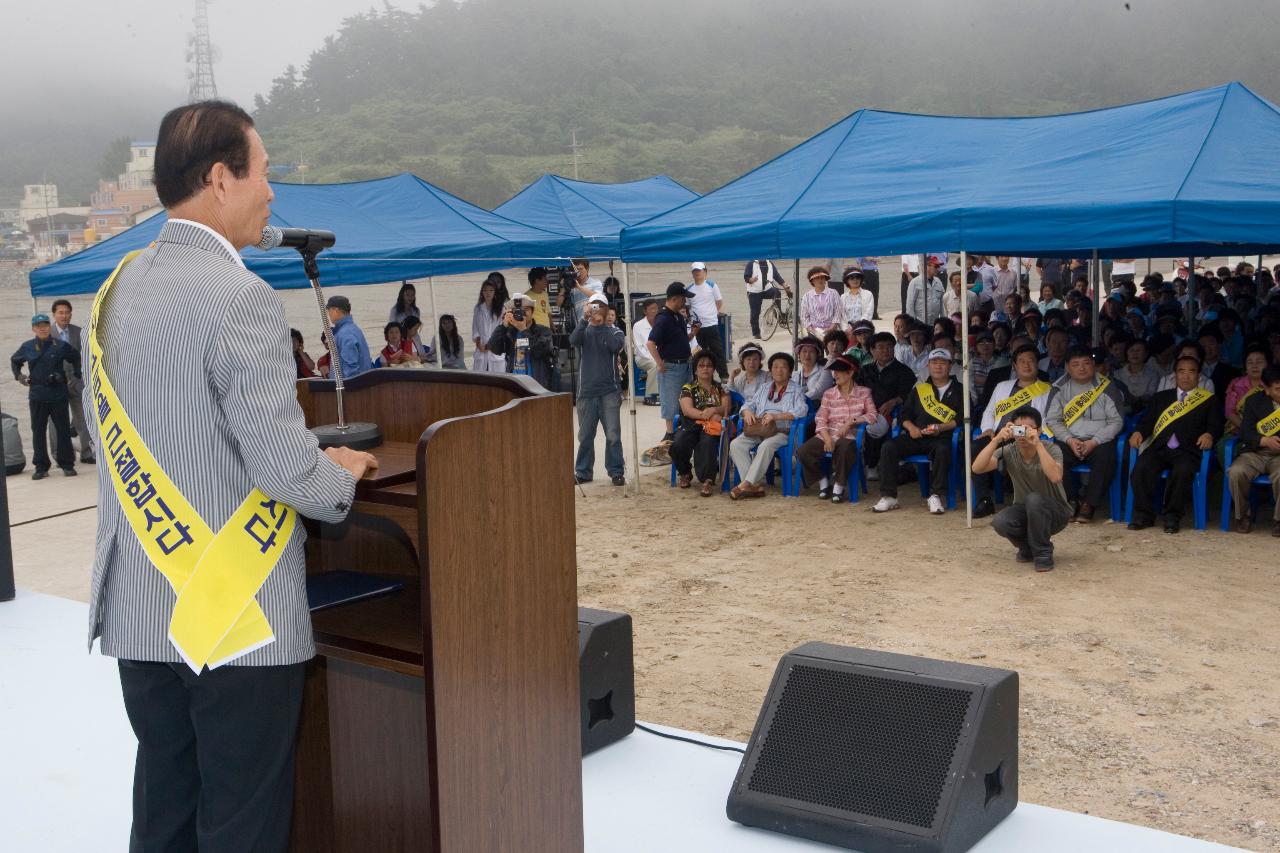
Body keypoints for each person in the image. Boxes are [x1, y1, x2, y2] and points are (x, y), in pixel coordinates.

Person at [85, 100, 377, 852]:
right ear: (221, 178)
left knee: (165, 815)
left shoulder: (115, 291)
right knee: (240, 828)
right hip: (234, 624)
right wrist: (337, 471)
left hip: (142, 614)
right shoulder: (239, 295)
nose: (273, 193)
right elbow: (286, 469)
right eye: (266, 172)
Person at [1127, 356, 1224, 534]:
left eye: (1191, 371)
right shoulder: (1161, 397)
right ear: (1175, 376)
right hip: (1159, 448)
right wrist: (1139, 432)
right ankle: (1144, 515)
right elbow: (1147, 422)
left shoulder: (1209, 400)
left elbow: (1216, 426)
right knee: (1141, 468)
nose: (1186, 376)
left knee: (1183, 471)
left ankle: (1172, 516)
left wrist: (1209, 434)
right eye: (1181, 371)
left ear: (1198, 376)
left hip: (1188, 450)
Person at [973, 406, 1072, 572]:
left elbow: (1056, 476)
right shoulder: (1009, 450)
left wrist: (1038, 444)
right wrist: (996, 440)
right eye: (1019, 429)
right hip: (1025, 509)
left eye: (1028, 429)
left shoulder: (1051, 449)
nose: (1023, 435)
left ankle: (1042, 552)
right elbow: (977, 468)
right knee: (1000, 521)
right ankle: (1027, 548)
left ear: (1039, 430)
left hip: (1056, 511)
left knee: (1034, 499)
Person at [872, 348, 964, 515]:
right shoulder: (920, 389)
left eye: (942, 363)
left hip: (941, 437)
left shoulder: (960, 390)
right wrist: (911, 428)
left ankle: (935, 495)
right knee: (888, 447)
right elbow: (904, 414)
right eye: (934, 363)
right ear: (928, 366)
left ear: (950, 366)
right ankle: (889, 496)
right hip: (916, 436)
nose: (938, 366)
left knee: (943, 450)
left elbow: (962, 418)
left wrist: (940, 428)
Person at [1044, 347, 1124, 523]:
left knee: (1106, 458)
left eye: (1086, 363)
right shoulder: (1058, 388)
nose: (1081, 368)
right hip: (1070, 439)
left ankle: (1089, 503)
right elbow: (1053, 420)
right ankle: (1070, 500)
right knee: (1053, 455)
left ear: (1094, 365)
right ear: (1067, 367)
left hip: (1098, 440)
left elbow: (1116, 422)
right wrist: (1070, 440)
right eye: (1075, 364)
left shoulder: (1107, 387)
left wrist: (1094, 441)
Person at [972, 345, 1053, 517]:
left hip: (1028, 437)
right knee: (975, 448)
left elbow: (1049, 418)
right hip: (1000, 435)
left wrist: (1036, 431)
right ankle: (984, 500)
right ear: (1014, 366)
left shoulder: (1047, 389)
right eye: (1021, 361)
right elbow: (989, 411)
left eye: (1030, 361)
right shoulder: (1002, 386)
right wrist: (987, 429)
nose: (1026, 365)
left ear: (1037, 364)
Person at [797, 356, 886, 502]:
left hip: (851, 436)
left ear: (850, 373)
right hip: (828, 433)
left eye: (839, 371)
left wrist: (851, 421)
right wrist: (826, 438)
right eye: (833, 371)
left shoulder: (864, 392)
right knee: (803, 452)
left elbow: (872, 415)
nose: (835, 374)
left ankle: (839, 485)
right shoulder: (829, 394)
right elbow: (821, 418)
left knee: (844, 448)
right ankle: (823, 481)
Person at [728, 352, 808, 499]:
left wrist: (776, 416)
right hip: (760, 429)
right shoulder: (765, 387)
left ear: (790, 371)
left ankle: (745, 485)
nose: (779, 370)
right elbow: (749, 403)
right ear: (770, 370)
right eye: (775, 367)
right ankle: (754, 485)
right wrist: (746, 412)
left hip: (782, 431)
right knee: (736, 444)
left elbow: (802, 410)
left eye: (783, 367)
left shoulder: (795, 389)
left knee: (766, 445)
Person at [11, 312, 80, 479]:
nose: (42, 329)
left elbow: (76, 357)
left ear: (49, 327)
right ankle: (41, 466)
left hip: (58, 394)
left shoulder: (60, 345)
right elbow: (15, 361)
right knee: (38, 431)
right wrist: (20, 377)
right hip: (37, 395)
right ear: (34, 329)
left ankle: (67, 464)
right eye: (39, 326)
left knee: (63, 430)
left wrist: (75, 377)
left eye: (45, 325)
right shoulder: (27, 346)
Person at [571, 294, 625, 485]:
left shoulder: (616, 332)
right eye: (594, 306)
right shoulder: (583, 329)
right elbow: (573, 341)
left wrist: (602, 324)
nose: (597, 310)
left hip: (609, 390)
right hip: (586, 391)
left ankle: (616, 471)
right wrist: (585, 319)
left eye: (600, 306)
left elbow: (614, 346)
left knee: (613, 435)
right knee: (585, 435)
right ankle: (583, 471)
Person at [1227, 365, 1280, 535]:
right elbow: (1245, 432)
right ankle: (1243, 516)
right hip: (1255, 452)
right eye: (1278, 389)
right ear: (1266, 388)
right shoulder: (1253, 401)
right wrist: (1263, 439)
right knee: (1236, 472)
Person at [671, 351, 731, 496]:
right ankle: (685, 472)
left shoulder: (720, 388)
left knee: (707, 442)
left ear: (714, 369)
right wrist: (705, 415)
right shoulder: (688, 388)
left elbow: (726, 408)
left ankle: (707, 480)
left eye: (709, 365)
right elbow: (687, 410)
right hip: (691, 423)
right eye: (701, 365)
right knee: (678, 443)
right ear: (696, 369)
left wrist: (714, 409)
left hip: (712, 427)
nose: (705, 368)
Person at [647, 282, 698, 442]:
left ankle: (683, 431)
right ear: (675, 299)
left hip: (685, 364)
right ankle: (670, 434)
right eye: (683, 299)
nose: (685, 302)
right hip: (671, 366)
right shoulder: (663, 319)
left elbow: (680, 339)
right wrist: (660, 363)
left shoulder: (678, 317)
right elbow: (651, 343)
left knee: (688, 400)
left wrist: (692, 334)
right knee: (671, 403)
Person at [48, 298, 95, 463]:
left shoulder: (78, 332)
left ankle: (87, 451)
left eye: (67, 312)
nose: (64, 316)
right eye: (60, 312)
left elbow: (85, 357)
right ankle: (58, 454)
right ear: (54, 314)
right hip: (56, 383)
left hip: (76, 381)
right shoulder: (47, 334)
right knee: (56, 421)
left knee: (83, 417)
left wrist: (79, 378)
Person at [488, 292, 555, 389]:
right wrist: (503, 326)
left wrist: (524, 330)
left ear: (532, 312)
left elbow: (539, 351)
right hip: (515, 385)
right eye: (517, 310)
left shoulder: (543, 331)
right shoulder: (510, 332)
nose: (522, 313)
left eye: (526, 309)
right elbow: (494, 348)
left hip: (537, 385)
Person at [688, 262, 728, 379]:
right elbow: (688, 306)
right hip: (697, 327)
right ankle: (698, 376)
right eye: (695, 272)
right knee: (698, 353)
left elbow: (719, 301)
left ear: (705, 272)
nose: (697, 274)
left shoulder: (712, 285)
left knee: (717, 350)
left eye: (699, 271)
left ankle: (723, 375)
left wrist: (713, 313)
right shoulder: (689, 289)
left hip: (711, 324)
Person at [1224, 346, 1271, 435]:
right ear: (1245, 367)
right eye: (1250, 362)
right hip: (1239, 431)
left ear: (1268, 364)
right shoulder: (1235, 384)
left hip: (1269, 432)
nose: (1254, 365)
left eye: (1259, 362)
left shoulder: (1273, 384)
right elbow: (1229, 412)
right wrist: (1249, 431)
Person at [325, 295, 373, 379]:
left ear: (335, 310)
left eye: (329, 310)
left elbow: (351, 371)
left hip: (350, 390)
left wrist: (350, 389)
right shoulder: (353, 329)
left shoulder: (345, 333)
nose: (328, 314)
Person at [743, 258, 787, 338]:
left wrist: (784, 285)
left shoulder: (769, 263)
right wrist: (751, 280)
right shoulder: (751, 263)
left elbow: (776, 275)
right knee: (755, 313)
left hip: (767, 289)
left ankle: (777, 313)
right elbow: (746, 277)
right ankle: (756, 333)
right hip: (754, 291)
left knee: (777, 292)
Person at [471, 278, 505, 372]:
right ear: (482, 292)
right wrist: (479, 345)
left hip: (495, 351)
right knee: (480, 380)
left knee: (497, 380)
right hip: (481, 350)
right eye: (485, 290)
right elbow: (475, 329)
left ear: (495, 293)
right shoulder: (478, 308)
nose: (488, 293)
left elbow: (502, 331)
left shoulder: (501, 309)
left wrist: (489, 346)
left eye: (491, 290)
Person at [632, 300, 661, 405]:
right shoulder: (637, 326)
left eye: (656, 308)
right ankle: (650, 396)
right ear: (645, 311)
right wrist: (656, 359)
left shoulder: (660, 324)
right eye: (652, 309)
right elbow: (639, 348)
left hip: (660, 357)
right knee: (654, 365)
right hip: (643, 358)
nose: (655, 311)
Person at [800, 266, 841, 339]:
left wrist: (832, 326)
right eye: (817, 278)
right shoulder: (806, 296)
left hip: (832, 330)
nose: (820, 280)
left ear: (825, 279)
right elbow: (804, 316)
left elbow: (838, 311)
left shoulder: (833, 293)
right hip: (814, 331)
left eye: (822, 277)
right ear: (812, 281)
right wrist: (812, 330)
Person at [905, 256, 944, 324]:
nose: (938, 269)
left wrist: (943, 320)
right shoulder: (915, 282)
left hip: (935, 322)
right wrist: (913, 323)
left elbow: (941, 303)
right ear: (927, 266)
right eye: (936, 266)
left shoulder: (938, 282)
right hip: (919, 322)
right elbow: (910, 305)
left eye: (938, 266)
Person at [793, 335, 833, 401]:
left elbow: (818, 392)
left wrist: (797, 400)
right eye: (804, 351)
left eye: (811, 352)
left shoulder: (825, 371)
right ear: (799, 354)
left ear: (817, 354)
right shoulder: (795, 375)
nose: (807, 355)